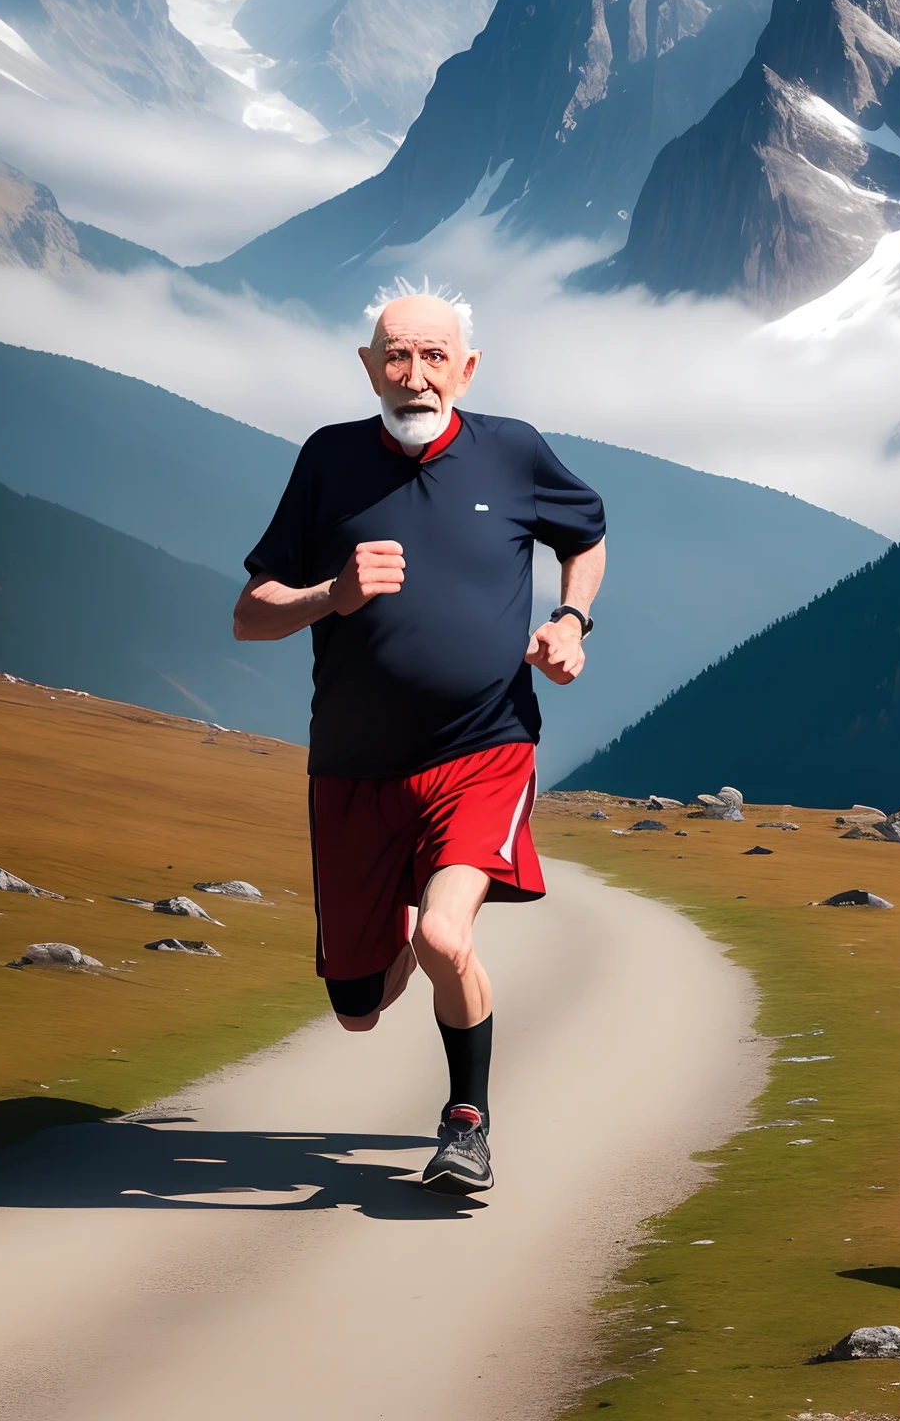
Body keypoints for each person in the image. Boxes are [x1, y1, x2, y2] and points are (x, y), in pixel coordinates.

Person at [233, 284, 606, 1194]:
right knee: (358, 1008)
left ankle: (466, 1124)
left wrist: (570, 621)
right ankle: (393, 931)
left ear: (467, 370)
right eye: (396, 355)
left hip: (484, 747)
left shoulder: (512, 453)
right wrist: (333, 595)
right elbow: (250, 614)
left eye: (434, 355)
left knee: (446, 937)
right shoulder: (327, 462)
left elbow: (585, 536)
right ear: (368, 368)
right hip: (354, 769)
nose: (414, 375)